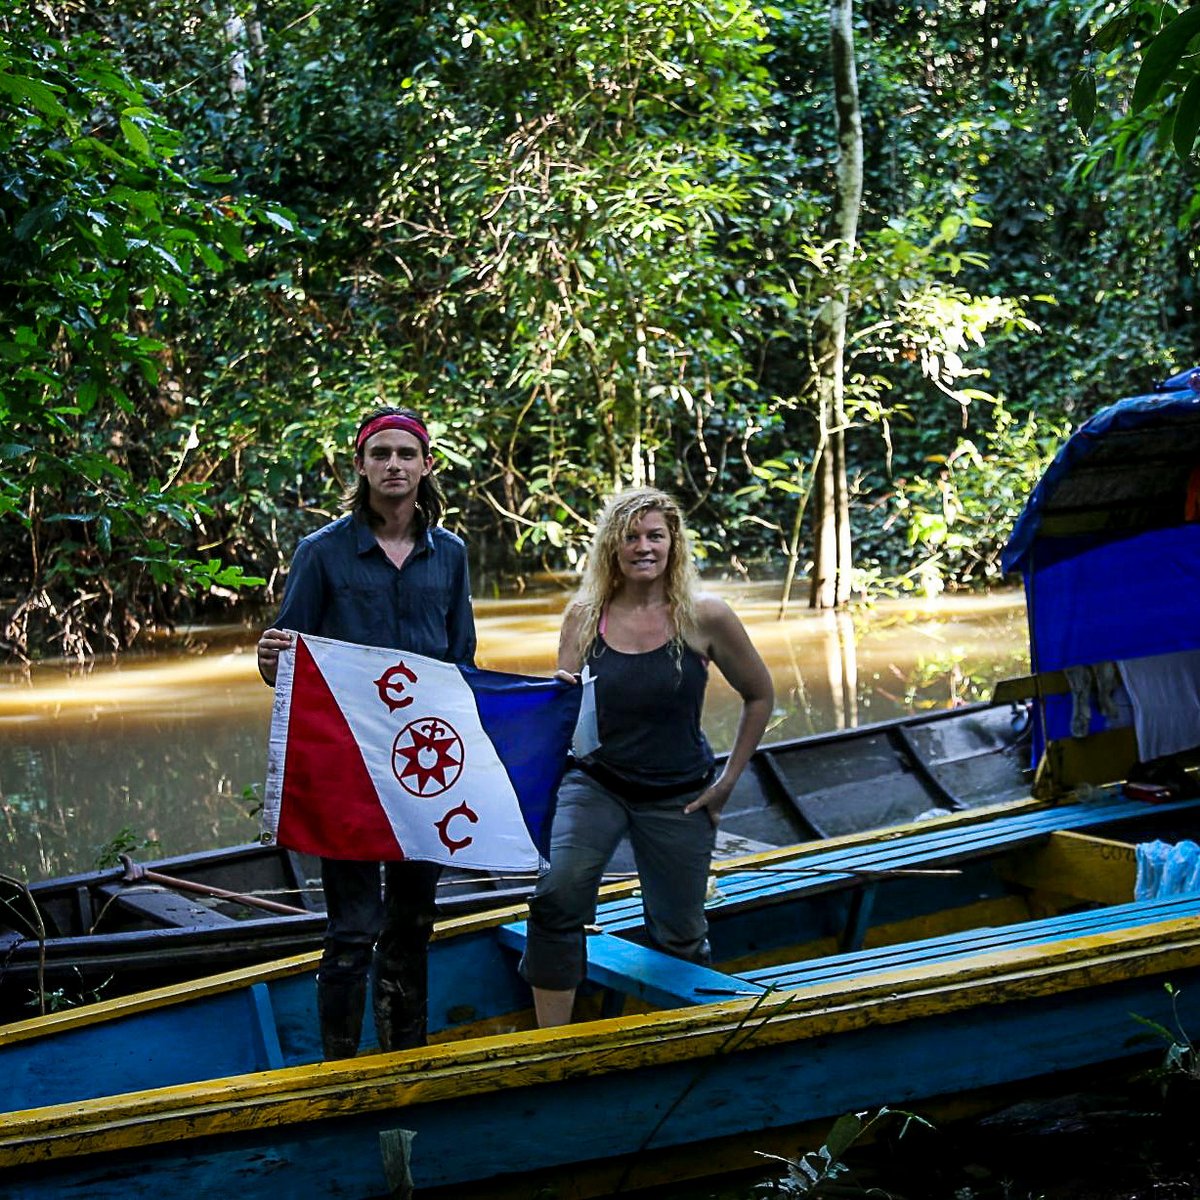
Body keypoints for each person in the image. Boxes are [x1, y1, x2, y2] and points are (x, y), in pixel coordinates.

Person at [257, 406, 476, 1059]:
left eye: (406, 455)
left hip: (424, 766)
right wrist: (269, 662)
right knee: (352, 927)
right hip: (348, 769)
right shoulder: (320, 554)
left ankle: (406, 1056)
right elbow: (287, 667)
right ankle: (341, 1067)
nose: (394, 466)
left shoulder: (452, 555)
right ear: (360, 465)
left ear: (426, 465)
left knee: (412, 921)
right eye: (380, 454)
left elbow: (462, 663)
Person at [519, 487, 774, 1026]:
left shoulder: (705, 616)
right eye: (630, 537)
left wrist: (727, 781)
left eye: (655, 535)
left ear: (673, 543)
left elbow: (760, 695)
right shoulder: (586, 615)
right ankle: (546, 1046)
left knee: (679, 928)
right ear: (611, 547)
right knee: (556, 895)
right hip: (596, 782)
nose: (643, 547)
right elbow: (563, 709)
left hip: (679, 793)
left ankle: (682, 1038)